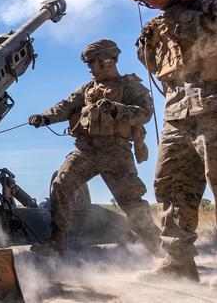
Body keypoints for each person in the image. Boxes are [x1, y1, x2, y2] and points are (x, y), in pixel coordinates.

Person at [124, 0, 217, 293]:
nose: (148, 5)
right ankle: (178, 263)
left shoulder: (210, 0)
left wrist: (184, 20)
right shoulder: (159, 21)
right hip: (178, 112)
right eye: (142, 2)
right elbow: (151, 61)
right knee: (170, 185)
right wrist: (156, 32)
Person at [28, 39, 162, 256]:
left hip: (116, 152)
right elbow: (66, 105)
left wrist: (116, 109)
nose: (90, 68)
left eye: (92, 63)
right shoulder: (88, 89)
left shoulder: (131, 86)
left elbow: (145, 113)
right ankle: (56, 243)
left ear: (107, 61)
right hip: (86, 150)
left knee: (131, 202)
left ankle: (158, 250)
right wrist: (44, 117)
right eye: (88, 63)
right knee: (60, 185)